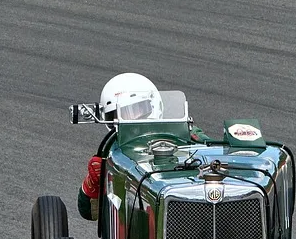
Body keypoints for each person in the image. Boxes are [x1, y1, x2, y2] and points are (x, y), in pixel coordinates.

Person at [77, 73, 210, 220]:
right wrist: (95, 181)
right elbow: (89, 213)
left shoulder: (185, 134)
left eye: (137, 110)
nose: (130, 119)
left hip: (186, 210)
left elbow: (212, 151)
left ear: (153, 106)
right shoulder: (111, 151)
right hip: (132, 221)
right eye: (119, 114)